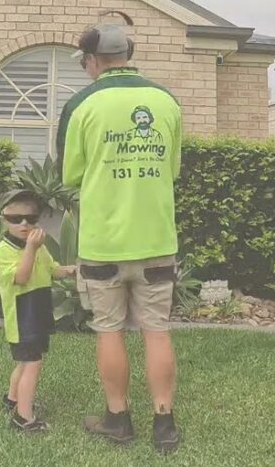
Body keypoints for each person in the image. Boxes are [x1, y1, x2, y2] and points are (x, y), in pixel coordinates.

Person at [56, 23, 184, 454]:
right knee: (157, 331)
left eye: (86, 63)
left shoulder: (81, 104)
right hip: (156, 241)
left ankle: (118, 419)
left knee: (109, 330)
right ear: (127, 55)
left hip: (104, 244)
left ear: (93, 60)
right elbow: (172, 169)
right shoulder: (166, 101)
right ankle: (164, 424)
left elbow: (70, 173)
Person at [0, 188, 76, 433]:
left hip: (37, 310)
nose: (24, 224)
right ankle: (24, 417)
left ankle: (13, 399)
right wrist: (31, 248)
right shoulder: (4, 250)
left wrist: (70, 270)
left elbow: (52, 269)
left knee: (25, 361)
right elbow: (21, 277)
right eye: (15, 218)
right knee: (32, 364)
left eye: (30, 218)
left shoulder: (39, 246)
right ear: (3, 220)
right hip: (22, 317)